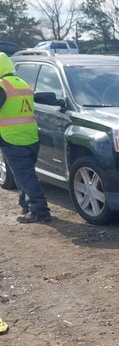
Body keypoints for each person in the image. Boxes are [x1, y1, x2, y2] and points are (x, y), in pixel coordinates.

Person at [0, 52, 51, 223]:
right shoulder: (21, 83)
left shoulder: (2, 86)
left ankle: (40, 210)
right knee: (22, 174)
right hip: (30, 136)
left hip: (12, 138)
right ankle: (26, 205)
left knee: (25, 176)